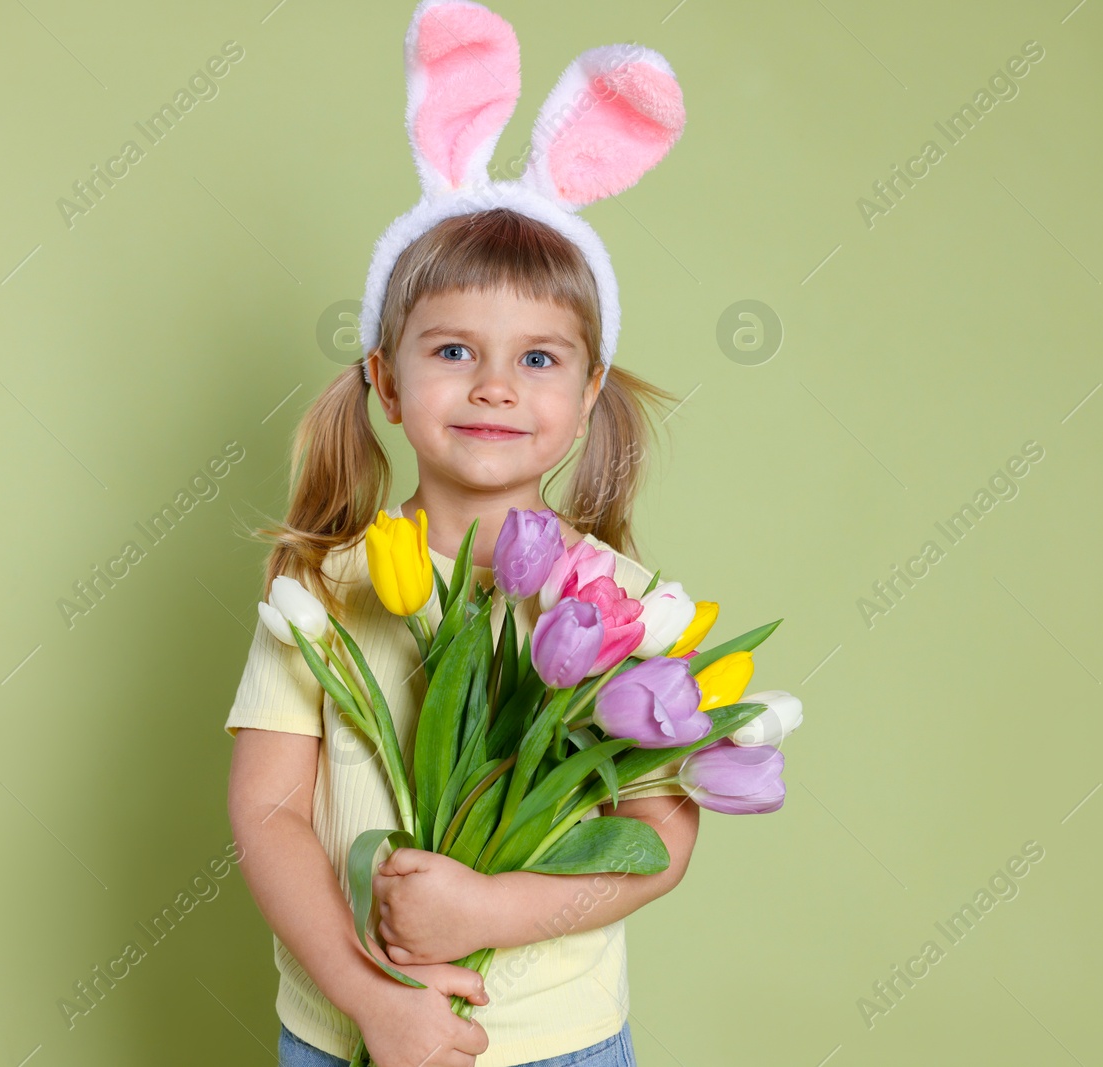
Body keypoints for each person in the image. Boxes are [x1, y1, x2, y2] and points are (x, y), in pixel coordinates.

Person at [227, 3, 694, 1063]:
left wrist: (490, 910)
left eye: (537, 358)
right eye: (451, 351)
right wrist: (374, 997)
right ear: (385, 380)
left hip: (557, 1039)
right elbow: (266, 815)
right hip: (348, 1031)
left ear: (586, 398)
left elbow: (661, 834)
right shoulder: (320, 586)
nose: (492, 385)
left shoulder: (621, 604)